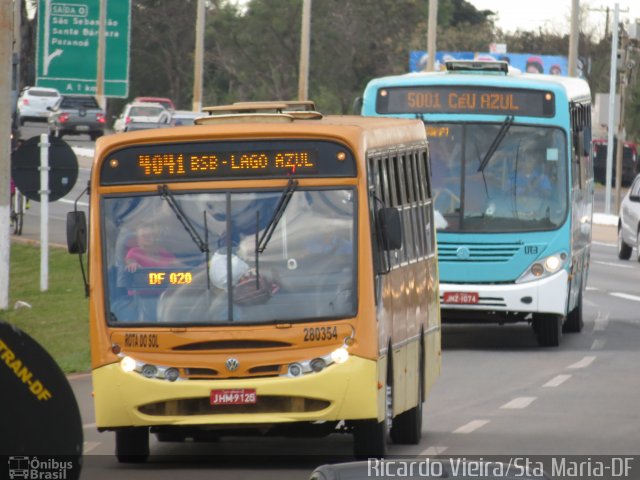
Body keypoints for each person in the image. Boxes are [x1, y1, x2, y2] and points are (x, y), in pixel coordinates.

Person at [123, 225, 179, 321]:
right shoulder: (134, 252)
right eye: (144, 236)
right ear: (138, 239)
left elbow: (178, 265)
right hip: (143, 295)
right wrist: (133, 265)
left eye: (150, 235)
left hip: (164, 293)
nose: (148, 238)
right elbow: (130, 261)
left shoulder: (162, 252)